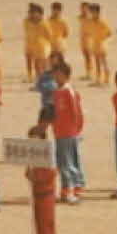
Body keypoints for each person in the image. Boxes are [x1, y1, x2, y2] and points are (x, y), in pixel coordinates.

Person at [50, 62, 85, 205]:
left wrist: (76, 130)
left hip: (69, 132)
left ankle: (72, 189)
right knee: (61, 162)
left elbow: (76, 112)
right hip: (59, 133)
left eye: (58, 74)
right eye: (55, 74)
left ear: (65, 75)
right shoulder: (56, 92)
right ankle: (66, 189)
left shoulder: (69, 91)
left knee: (68, 162)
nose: (56, 77)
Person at [25, 116, 59, 234]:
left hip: (46, 193)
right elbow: (28, 172)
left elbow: (51, 173)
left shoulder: (48, 155)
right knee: (38, 222)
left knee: (46, 222)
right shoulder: (33, 155)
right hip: (36, 192)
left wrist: (36, 177)